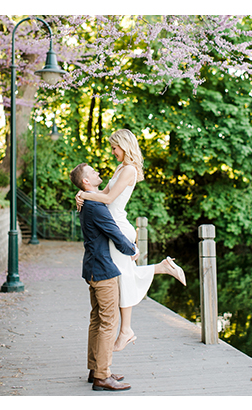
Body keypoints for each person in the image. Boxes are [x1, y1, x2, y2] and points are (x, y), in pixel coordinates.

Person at [75, 129, 186, 351]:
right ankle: (162, 268)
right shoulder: (120, 168)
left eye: (114, 148)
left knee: (124, 276)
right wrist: (82, 193)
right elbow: (104, 192)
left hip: (118, 226)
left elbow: (107, 198)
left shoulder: (129, 170)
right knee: (124, 273)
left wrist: (84, 195)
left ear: (124, 146)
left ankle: (126, 330)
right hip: (113, 223)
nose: (113, 152)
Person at [70, 162, 135, 392]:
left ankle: (96, 369)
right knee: (108, 322)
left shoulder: (88, 200)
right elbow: (114, 233)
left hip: (92, 267)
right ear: (86, 181)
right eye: (93, 172)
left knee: (97, 320)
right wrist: (133, 251)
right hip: (103, 270)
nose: (98, 172)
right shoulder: (95, 206)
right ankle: (102, 377)